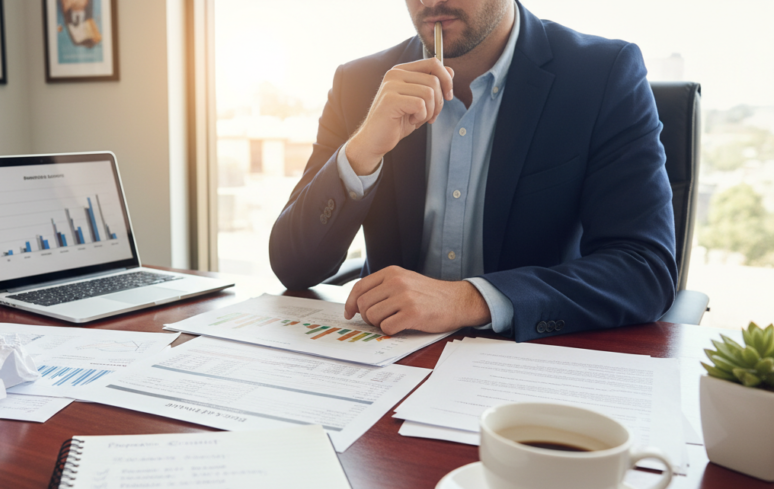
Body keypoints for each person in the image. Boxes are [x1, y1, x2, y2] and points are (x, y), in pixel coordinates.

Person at [268, 0, 677, 342]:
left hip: (532, 359)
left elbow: (645, 269)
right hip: (388, 360)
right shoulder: (358, 83)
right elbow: (294, 266)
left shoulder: (602, 75)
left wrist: (467, 300)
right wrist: (361, 150)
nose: (430, 1)